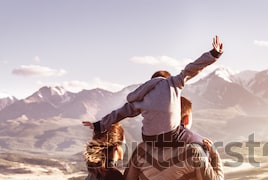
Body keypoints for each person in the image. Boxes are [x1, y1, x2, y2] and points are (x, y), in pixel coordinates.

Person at [82, 35, 223, 146]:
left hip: (148, 139)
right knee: (202, 143)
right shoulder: (173, 83)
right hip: (171, 135)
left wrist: (98, 125)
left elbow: (120, 113)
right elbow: (192, 68)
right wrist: (213, 55)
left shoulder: (142, 97)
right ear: (167, 79)